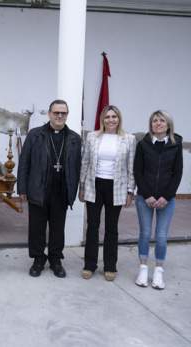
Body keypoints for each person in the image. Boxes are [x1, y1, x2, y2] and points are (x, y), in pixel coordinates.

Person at [17, 99, 81, 278]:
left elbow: (78, 166)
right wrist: (22, 188)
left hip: (62, 191)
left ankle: (55, 259)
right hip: (38, 189)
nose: (60, 116)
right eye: (56, 112)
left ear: (67, 115)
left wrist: (75, 189)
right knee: (36, 228)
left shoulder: (75, 138)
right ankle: (38, 259)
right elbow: (24, 163)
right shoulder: (35, 135)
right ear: (49, 114)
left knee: (57, 228)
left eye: (63, 113)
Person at [79, 105, 136, 281]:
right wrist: (81, 186)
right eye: (107, 117)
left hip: (116, 187)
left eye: (114, 116)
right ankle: (90, 265)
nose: (111, 120)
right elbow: (85, 162)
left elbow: (131, 167)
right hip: (94, 184)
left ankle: (110, 266)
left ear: (119, 119)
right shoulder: (92, 137)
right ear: (102, 119)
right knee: (92, 226)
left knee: (112, 228)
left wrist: (130, 191)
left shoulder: (129, 139)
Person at [133, 110, 183, 290]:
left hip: (166, 200)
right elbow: (137, 171)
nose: (158, 123)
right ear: (151, 124)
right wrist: (147, 195)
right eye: (155, 120)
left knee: (161, 236)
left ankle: (159, 272)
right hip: (144, 198)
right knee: (145, 234)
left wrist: (166, 197)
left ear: (168, 124)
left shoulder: (176, 145)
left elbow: (177, 174)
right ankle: (143, 269)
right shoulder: (143, 144)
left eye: (162, 120)